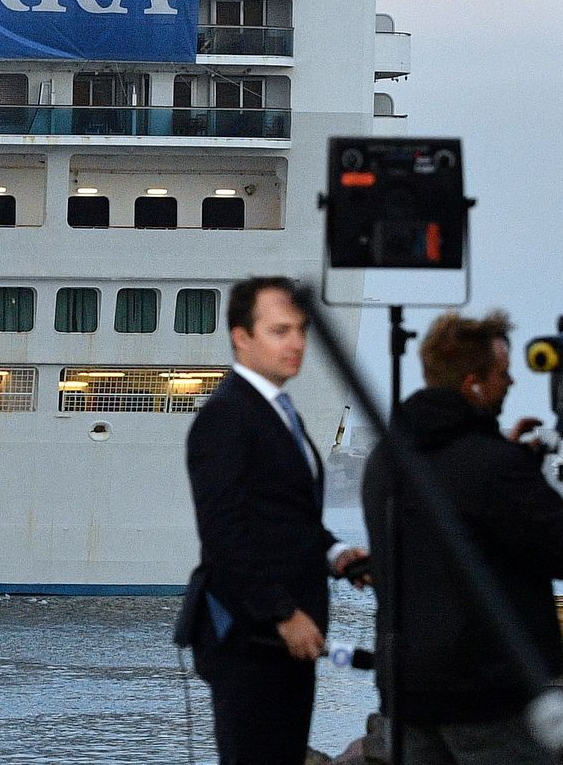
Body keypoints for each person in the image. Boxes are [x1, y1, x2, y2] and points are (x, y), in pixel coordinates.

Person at [362, 310, 563, 764]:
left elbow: (464, 520)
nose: (512, 382)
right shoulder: (491, 467)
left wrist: (513, 463)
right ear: (473, 383)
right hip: (488, 692)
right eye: (503, 373)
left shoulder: (386, 460)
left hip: (407, 692)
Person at [182, 276, 369, 765]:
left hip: (287, 637)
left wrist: (337, 554)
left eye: (301, 330)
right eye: (280, 330)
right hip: (255, 637)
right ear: (241, 337)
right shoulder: (226, 417)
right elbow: (224, 536)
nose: (297, 343)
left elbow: (289, 519)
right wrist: (283, 615)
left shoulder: (280, 413)